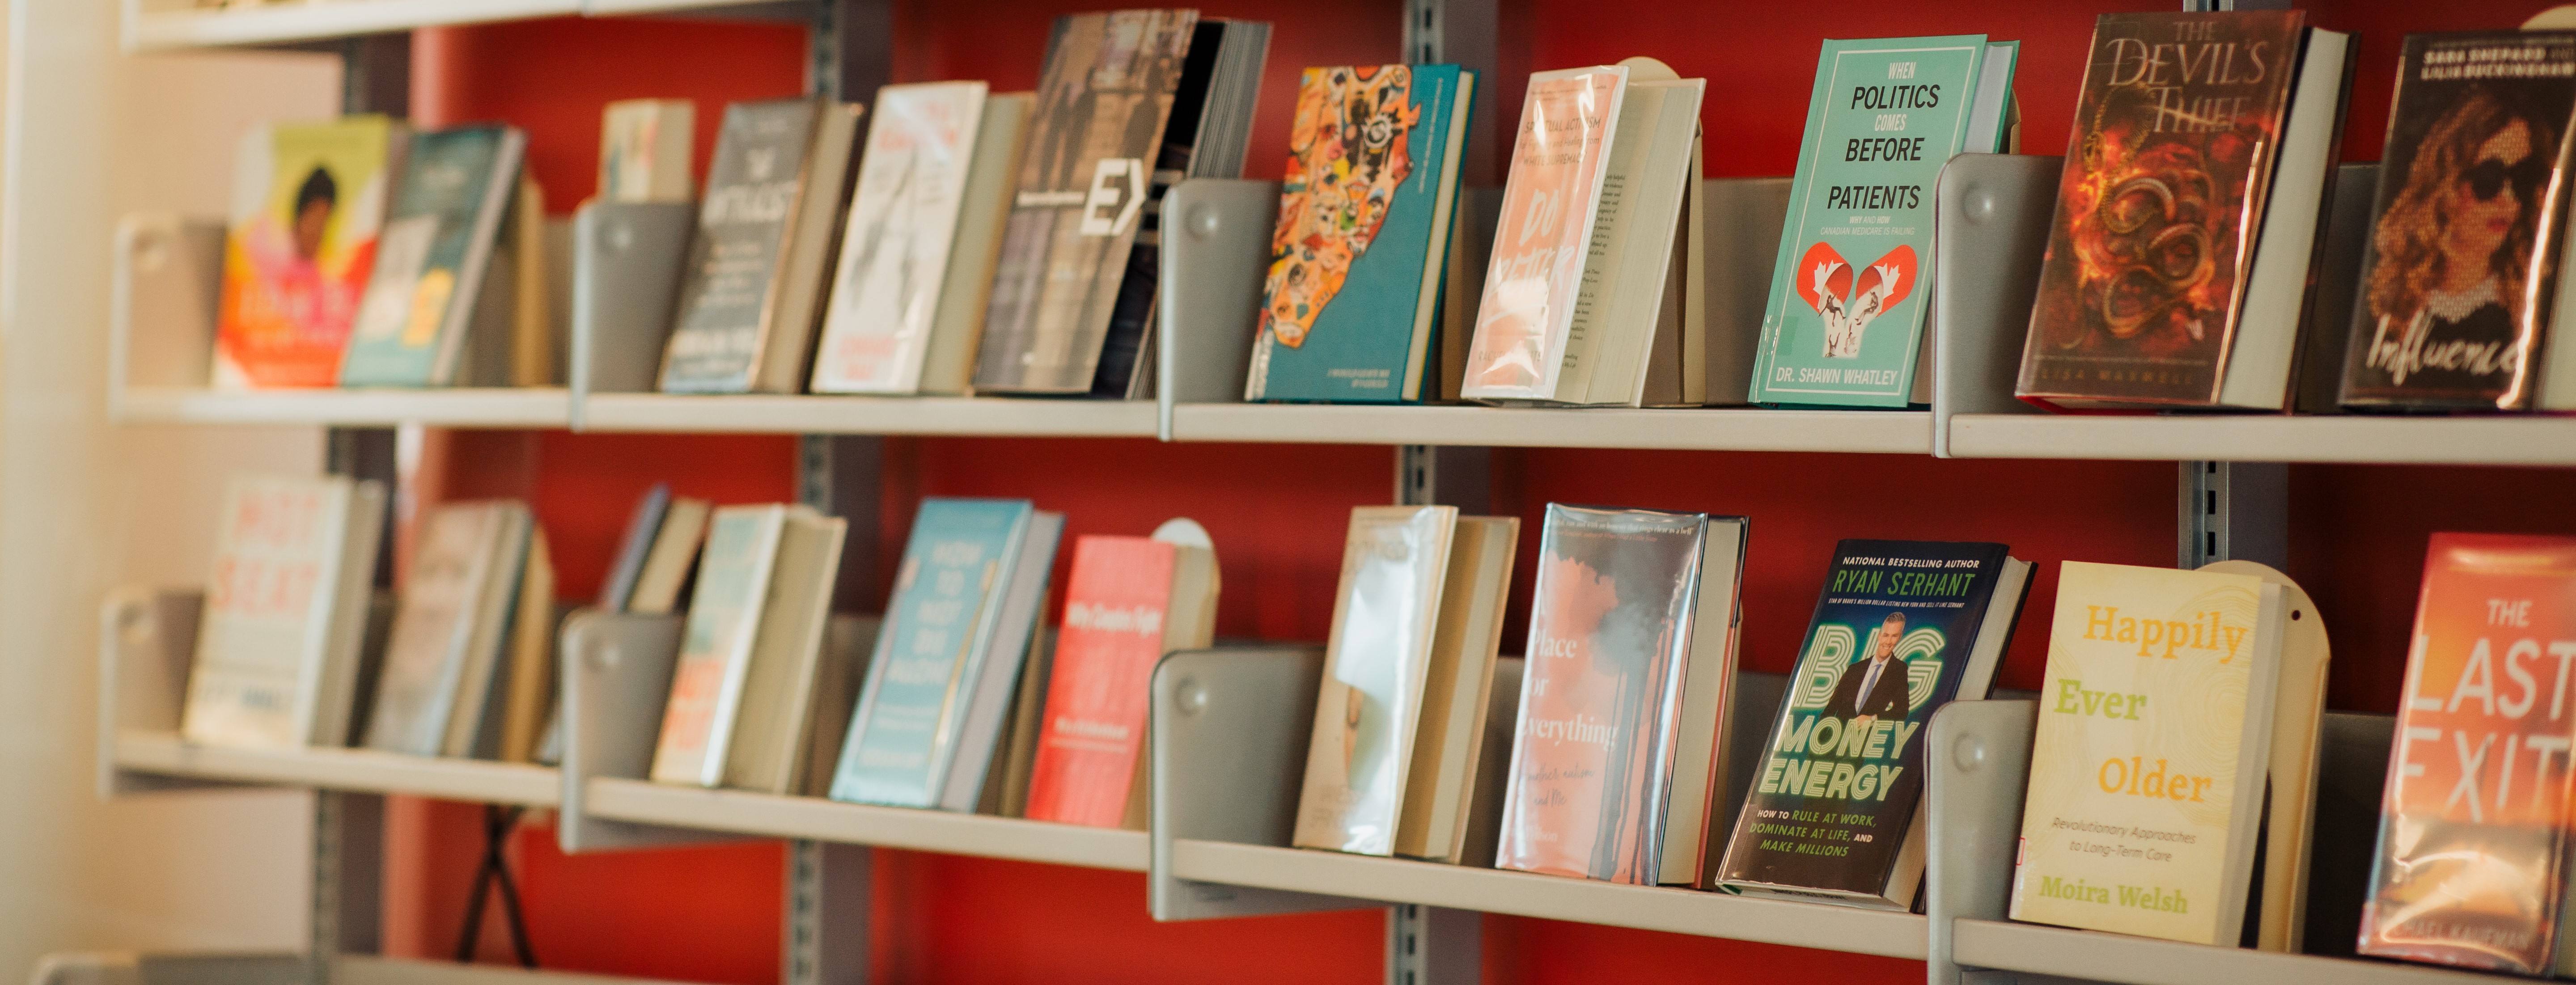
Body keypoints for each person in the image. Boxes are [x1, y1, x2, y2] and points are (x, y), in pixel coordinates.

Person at [2357, 85, 2556, 396]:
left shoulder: (2529, 302)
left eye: (2522, 179)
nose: (2508, 199)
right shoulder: (2394, 297)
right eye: (2489, 179)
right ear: (2447, 182)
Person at [1824, 611, 1914, 721]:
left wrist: (1873, 719)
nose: (1888, 642)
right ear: (1879, 636)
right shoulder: (1854, 669)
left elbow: (1902, 712)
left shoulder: (1899, 670)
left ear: (1900, 637)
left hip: (1869, 732)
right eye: (1886, 635)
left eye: (1894, 636)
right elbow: (1831, 708)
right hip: (1839, 730)